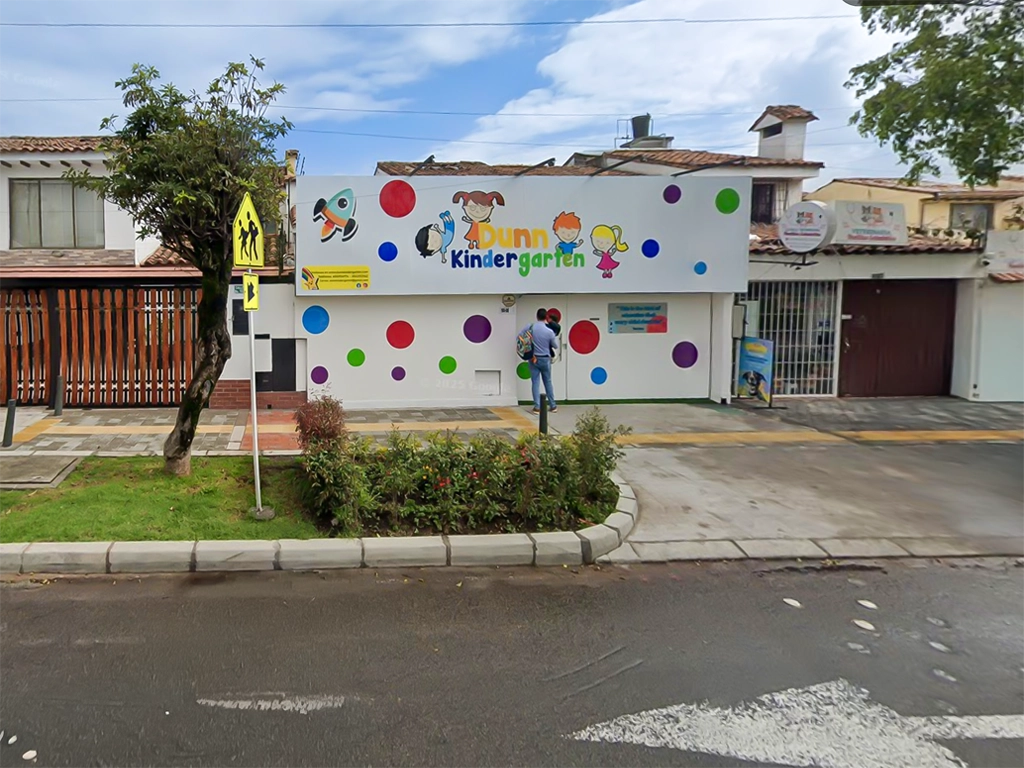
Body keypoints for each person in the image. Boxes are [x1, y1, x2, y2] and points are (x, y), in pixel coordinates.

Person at [525, 308, 558, 415]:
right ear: (546, 317)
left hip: (533, 358)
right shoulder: (549, 331)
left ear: (537, 316)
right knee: (548, 381)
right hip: (545, 359)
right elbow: (555, 346)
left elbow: (520, 337)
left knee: (535, 382)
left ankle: (537, 407)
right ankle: (553, 405)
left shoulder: (530, 327)